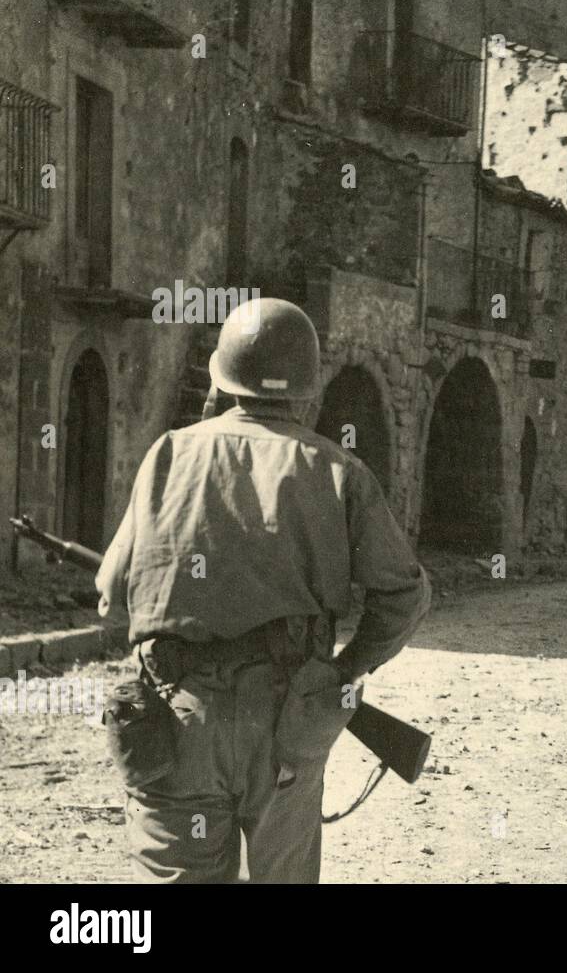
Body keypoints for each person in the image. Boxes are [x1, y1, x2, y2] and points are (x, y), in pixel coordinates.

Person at [96, 297, 431, 883]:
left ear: (222, 377)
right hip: (287, 719)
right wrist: (343, 669)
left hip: (179, 717)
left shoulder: (170, 453)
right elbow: (403, 596)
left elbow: (113, 595)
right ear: (306, 387)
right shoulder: (337, 470)